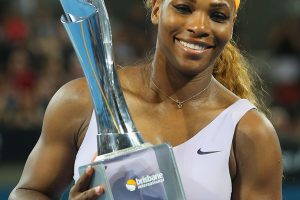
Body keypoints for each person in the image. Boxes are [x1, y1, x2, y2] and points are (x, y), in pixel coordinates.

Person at [9, 0, 283, 199]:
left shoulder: (250, 132)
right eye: (184, 8)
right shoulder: (80, 101)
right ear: (156, 10)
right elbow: (28, 191)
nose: (200, 26)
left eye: (218, 15)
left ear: (231, 25)